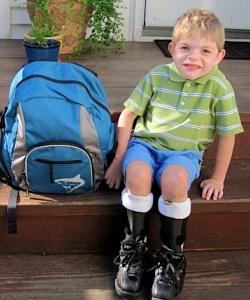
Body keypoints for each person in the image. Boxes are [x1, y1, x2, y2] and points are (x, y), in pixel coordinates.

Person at [105, 8, 244, 300]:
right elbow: (128, 115)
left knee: (175, 183)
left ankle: (171, 257)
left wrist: (218, 177)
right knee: (138, 174)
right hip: (145, 146)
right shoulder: (157, 76)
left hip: (183, 153)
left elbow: (228, 132)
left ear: (220, 56)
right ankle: (133, 249)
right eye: (185, 48)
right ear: (171, 49)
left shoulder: (220, 88)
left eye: (205, 50)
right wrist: (119, 160)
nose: (194, 57)